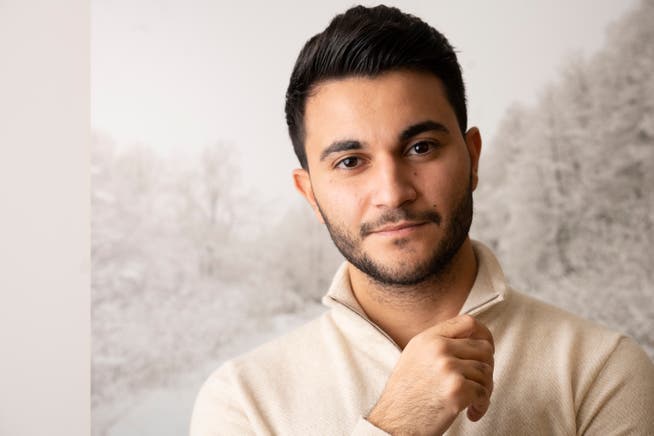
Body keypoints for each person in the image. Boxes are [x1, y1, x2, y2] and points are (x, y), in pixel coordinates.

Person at [190, 5, 654, 435]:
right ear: (310, 193)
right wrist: (397, 424)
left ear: (472, 158)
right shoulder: (242, 404)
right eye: (351, 161)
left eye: (421, 148)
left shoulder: (602, 372)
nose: (393, 192)